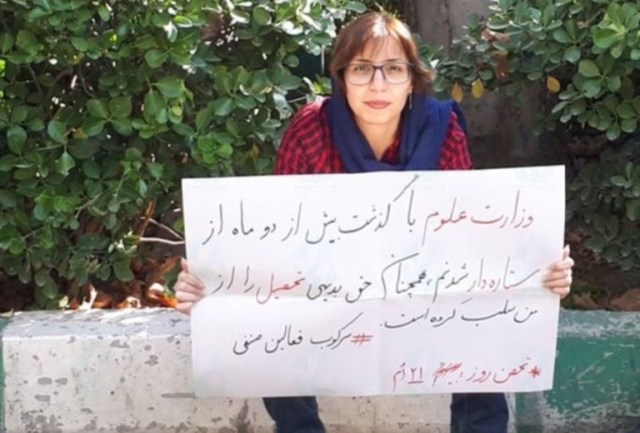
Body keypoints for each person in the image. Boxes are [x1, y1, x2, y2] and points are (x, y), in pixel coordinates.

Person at [174, 11, 574, 433]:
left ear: (412, 80)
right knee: (271, 319)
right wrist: (212, 284)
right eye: (362, 69)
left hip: (422, 290)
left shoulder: (442, 130)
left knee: (480, 317)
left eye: (394, 69)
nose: (378, 85)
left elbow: (469, 240)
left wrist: (538, 273)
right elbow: (276, 240)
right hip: (329, 290)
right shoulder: (311, 130)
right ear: (341, 77)